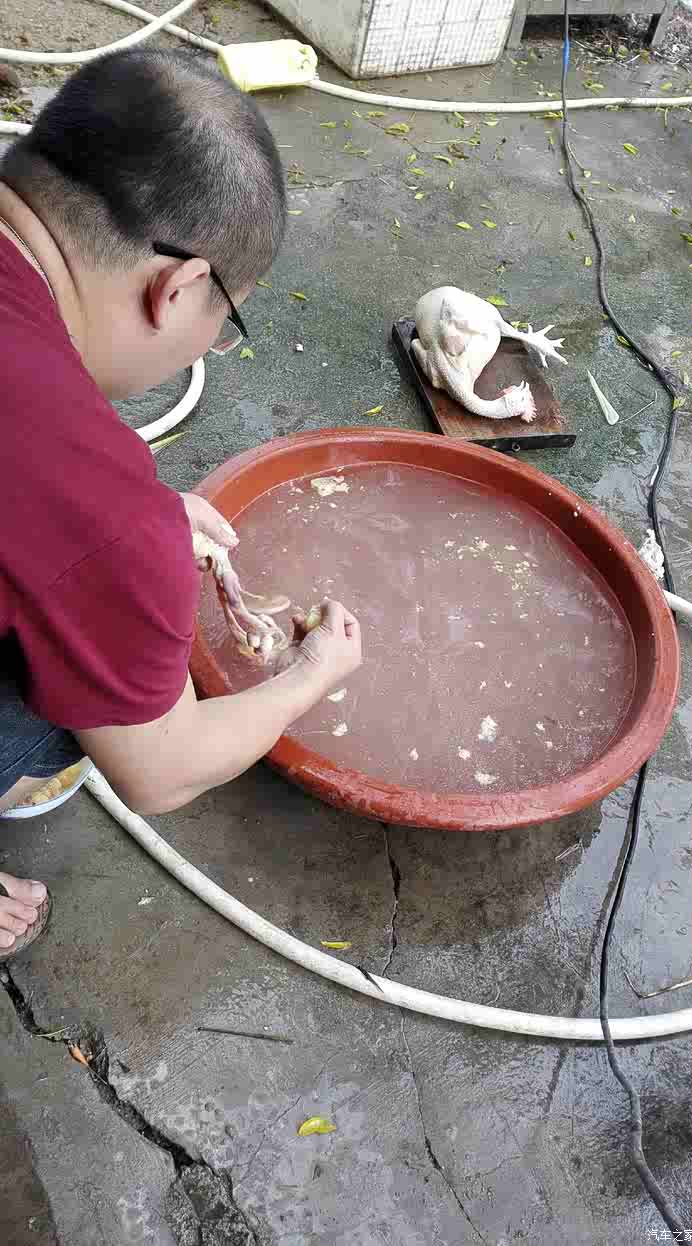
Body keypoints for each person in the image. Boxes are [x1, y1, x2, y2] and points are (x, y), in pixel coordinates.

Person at [0, 49, 361, 958]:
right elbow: (159, 770)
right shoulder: (85, 481)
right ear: (182, 287)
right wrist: (310, 674)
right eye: (227, 319)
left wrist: (128, 527)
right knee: (72, 701)